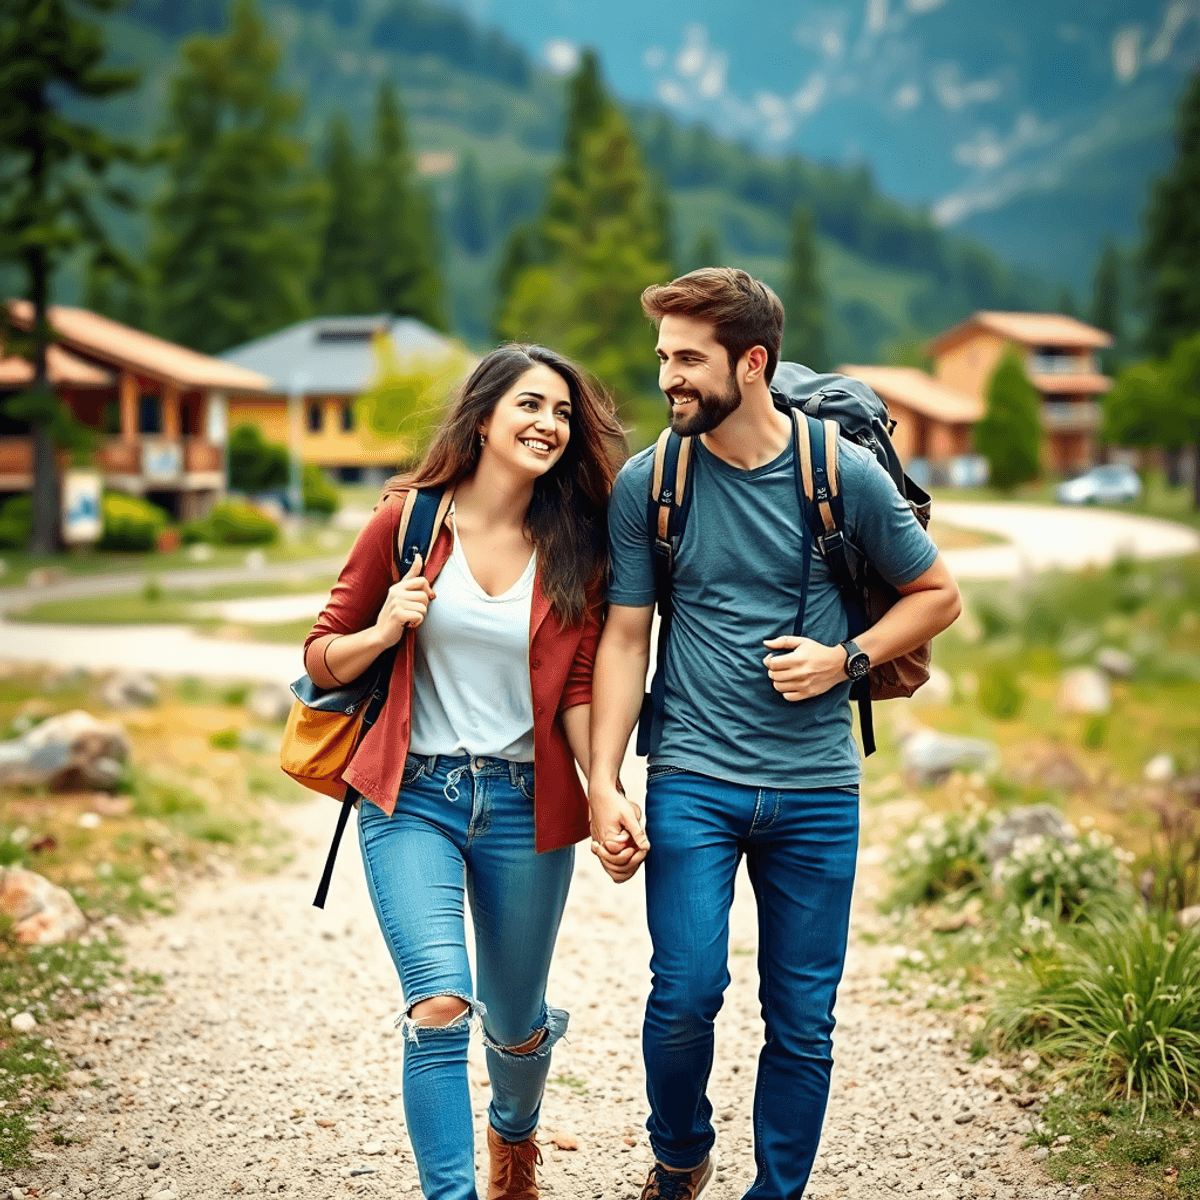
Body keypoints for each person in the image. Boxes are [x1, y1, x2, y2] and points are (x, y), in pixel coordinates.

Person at [587, 268, 962, 1200]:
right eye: (663, 356)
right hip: (694, 775)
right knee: (685, 992)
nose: (668, 378)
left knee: (802, 1017)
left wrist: (846, 661)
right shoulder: (652, 482)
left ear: (751, 363)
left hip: (818, 788)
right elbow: (626, 635)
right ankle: (681, 1151)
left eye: (688, 359)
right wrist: (604, 781)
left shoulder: (840, 474)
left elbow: (937, 595)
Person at [303, 344, 625, 1200]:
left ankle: (513, 1135)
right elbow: (320, 655)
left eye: (563, 413)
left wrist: (603, 789)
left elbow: (579, 688)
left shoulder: (577, 546)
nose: (549, 425)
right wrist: (383, 630)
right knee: (440, 1004)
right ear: (483, 418)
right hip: (413, 798)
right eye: (531, 405)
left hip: (526, 805)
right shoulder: (406, 523)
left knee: (516, 1025)